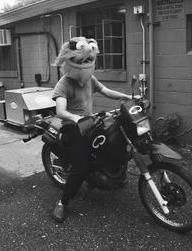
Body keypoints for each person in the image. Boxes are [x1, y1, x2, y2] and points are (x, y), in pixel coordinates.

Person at [51, 37, 133, 222]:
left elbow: (105, 91)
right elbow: (60, 110)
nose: (84, 64)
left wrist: (126, 96)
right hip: (73, 129)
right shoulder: (64, 84)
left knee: (115, 141)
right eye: (80, 61)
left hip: (91, 123)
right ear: (71, 62)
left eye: (87, 60)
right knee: (80, 168)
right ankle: (63, 202)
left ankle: (110, 177)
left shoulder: (89, 78)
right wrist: (75, 117)